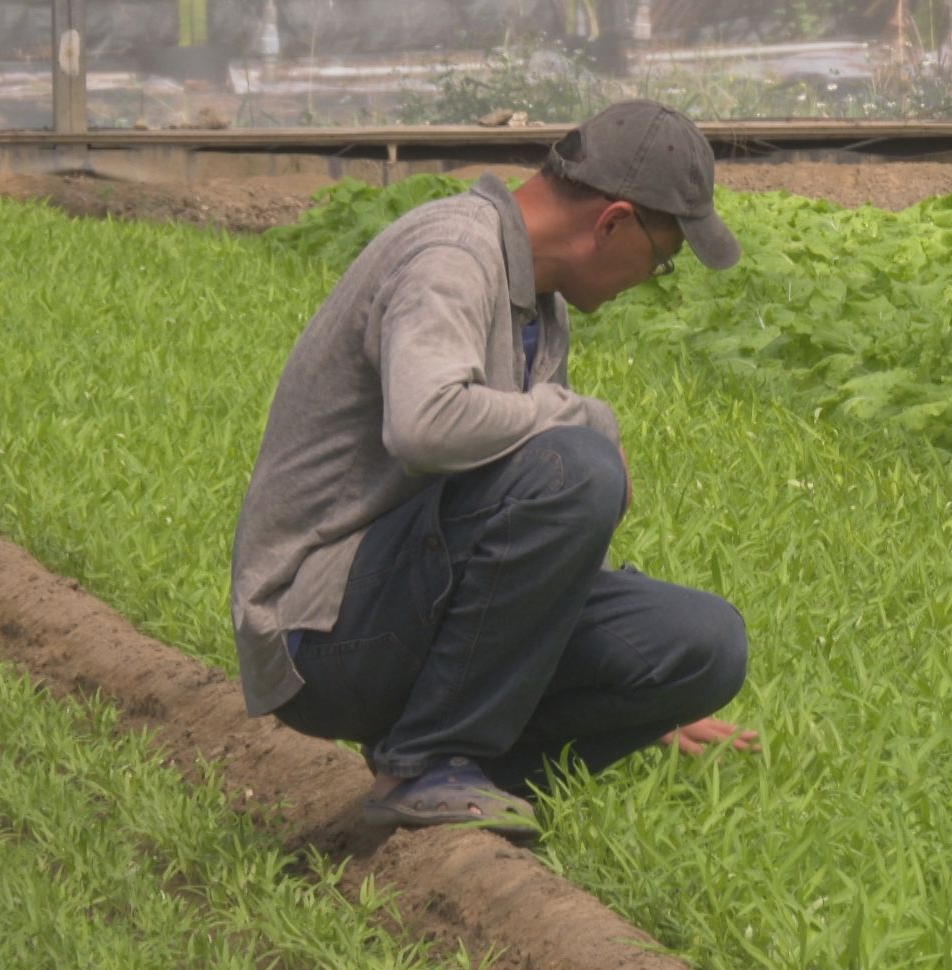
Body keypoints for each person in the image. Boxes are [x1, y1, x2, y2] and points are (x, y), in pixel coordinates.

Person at [230, 100, 757, 838]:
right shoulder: (453, 254)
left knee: (701, 646)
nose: (653, 278)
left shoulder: (541, 299)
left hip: (410, 605)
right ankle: (428, 760)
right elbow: (425, 424)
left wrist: (638, 690)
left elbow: (526, 506)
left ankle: (467, 778)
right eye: (662, 259)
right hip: (319, 635)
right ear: (612, 223)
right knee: (578, 460)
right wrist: (583, 419)